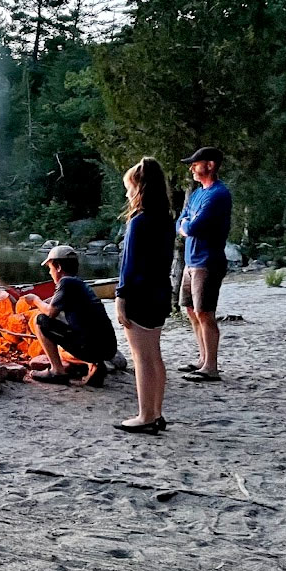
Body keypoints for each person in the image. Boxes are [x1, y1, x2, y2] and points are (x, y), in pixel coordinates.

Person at [113, 157, 176, 434]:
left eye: (129, 188)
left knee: (141, 358)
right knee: (155, 355)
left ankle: (145, 415)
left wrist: (120, 296)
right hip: (160, 293)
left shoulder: (139, 221)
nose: (127, 193)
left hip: (140, 295)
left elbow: (130, 263)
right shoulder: (166, 219)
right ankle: (157, 412)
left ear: (139, 188)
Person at [176, 146, 232, 382]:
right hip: (191, 261)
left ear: (209, 165)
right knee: (190, 310)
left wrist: (187, 225)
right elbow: (180, 222)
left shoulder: (218, 194)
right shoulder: (198, 193)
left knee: (205, 313)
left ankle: (211, 367)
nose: (191, 167)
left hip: (207, 261)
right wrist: (186, 225)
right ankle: (202, 358)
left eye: (195, 163)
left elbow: (192, 227)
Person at [30, 245, 118, 387]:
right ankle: (94, 364)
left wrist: (35, 300)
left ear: (58, 267)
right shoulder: (78, 283)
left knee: (40, 320)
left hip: (91, 347)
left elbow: (50, 312)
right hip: (108, 348)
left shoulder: (66, 282)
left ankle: (57, 371)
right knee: (67, 339)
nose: (50, 273)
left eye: (50, 268)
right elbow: (56, 303)